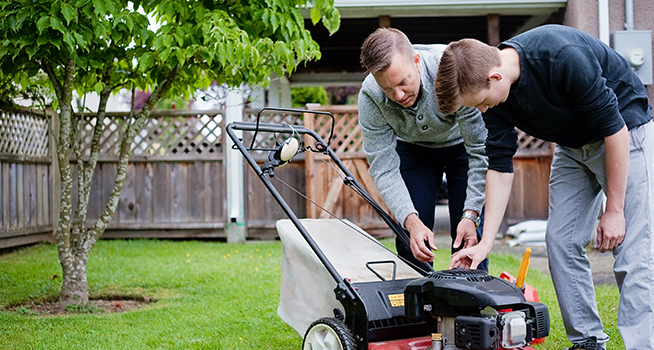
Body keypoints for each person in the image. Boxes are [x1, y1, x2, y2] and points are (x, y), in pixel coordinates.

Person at [436, 24, 654, 350]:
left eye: (479, 102)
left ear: (494, 76)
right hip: (572, 145)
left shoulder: (560, 56)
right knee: (561, 240)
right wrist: (485, 243)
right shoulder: (496, 99)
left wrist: (615, 210)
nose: (481, 110)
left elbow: (615, 129)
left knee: (633, 252)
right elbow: (499, 165)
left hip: (625, 135)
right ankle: (588, 341)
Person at [358, 27, 488, 271]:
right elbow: (383, 168)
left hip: (462, 147)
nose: (397, 95)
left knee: (468, 234)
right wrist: (411, 221)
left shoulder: (451, 69)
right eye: (387, 88)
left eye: (403, 82)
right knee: (410, 238)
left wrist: (470, 214)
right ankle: (418, 304)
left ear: (416, 61)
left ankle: (474, 301)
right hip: (414, 150)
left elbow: (480, 150)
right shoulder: (370, 96)